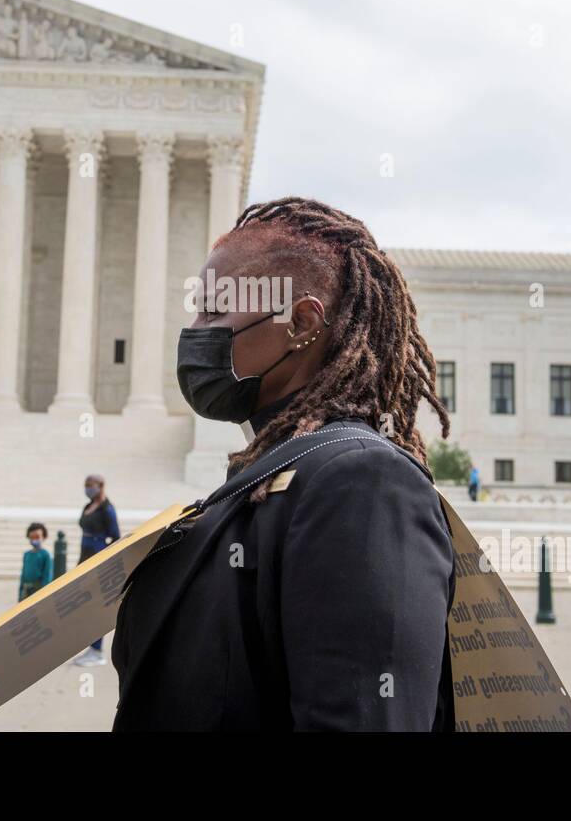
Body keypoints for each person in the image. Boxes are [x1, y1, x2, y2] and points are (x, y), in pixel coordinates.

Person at [112, 197, 456, 731]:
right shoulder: (269, 475)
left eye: (214, 310)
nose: (196, 331)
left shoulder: (362, 483)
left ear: (299, 323)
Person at [73, 474, 119, 666]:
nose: (87, 489)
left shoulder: (107, 510)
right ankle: (90, 646)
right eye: (85, 485)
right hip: (84, 557)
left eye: (90, 485)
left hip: (97, 558)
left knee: (95, 605)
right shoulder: (88, 506)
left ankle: (97, 649)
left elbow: (115, 536)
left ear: (100, 486)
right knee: (85, 604)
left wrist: (103, 559)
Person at [18, 522, 54, 600]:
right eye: (32, 537)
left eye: (37, 537)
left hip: (38, 592)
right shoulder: (27, 554)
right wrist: (20, 594)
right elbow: (23, 576)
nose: (34, 540)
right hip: (26, 592)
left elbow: (47, 577)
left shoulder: (45, 555)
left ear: (43, 537)